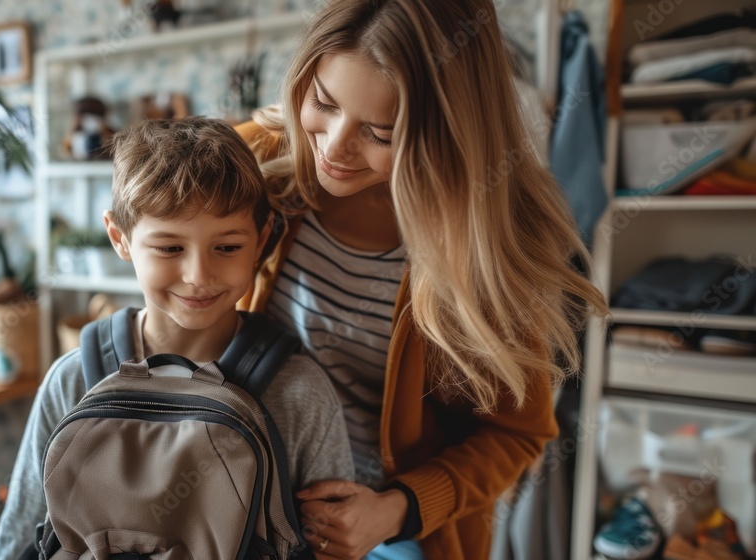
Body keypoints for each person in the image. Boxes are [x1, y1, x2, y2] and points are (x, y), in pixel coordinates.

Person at [235, 0, 609, 559]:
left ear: (441, 132)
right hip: (251, 498)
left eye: (380, 132)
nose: (333, 147)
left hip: (388, 531)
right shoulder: (255, 159)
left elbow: (517, 435)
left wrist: (394, 511)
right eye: (324, 103)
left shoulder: (486, 245)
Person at [0, 117, 355, 559]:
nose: (198, 276)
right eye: (169, 248)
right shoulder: (71, 380)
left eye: (227, 247)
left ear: (261, 241)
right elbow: (17, 541)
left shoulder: (299, 392)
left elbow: (334, 546)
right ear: (119, 238)